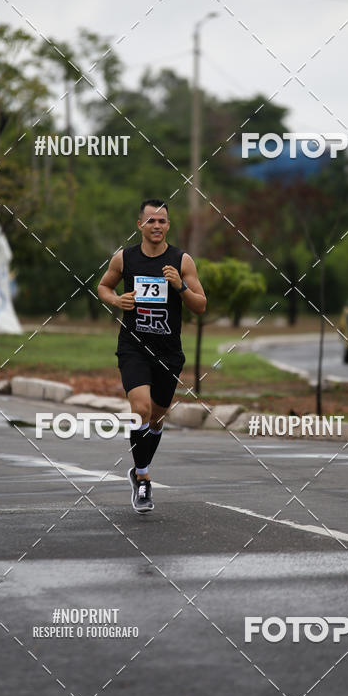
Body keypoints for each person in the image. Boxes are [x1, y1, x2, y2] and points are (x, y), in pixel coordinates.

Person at [98, 199, 207, 513]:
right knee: (141, 409)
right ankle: (143, 478)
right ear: (140, 225)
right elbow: (103, 286)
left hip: (168, 352)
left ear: (168, 225)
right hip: (133, 347)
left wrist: (181, 286)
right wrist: (117, 300)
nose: (156, 226)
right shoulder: (125, 258)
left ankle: (138, 469)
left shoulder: (181, 260)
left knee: (157, 418)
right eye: (151, 221)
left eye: (162, 221)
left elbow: (200, 305)